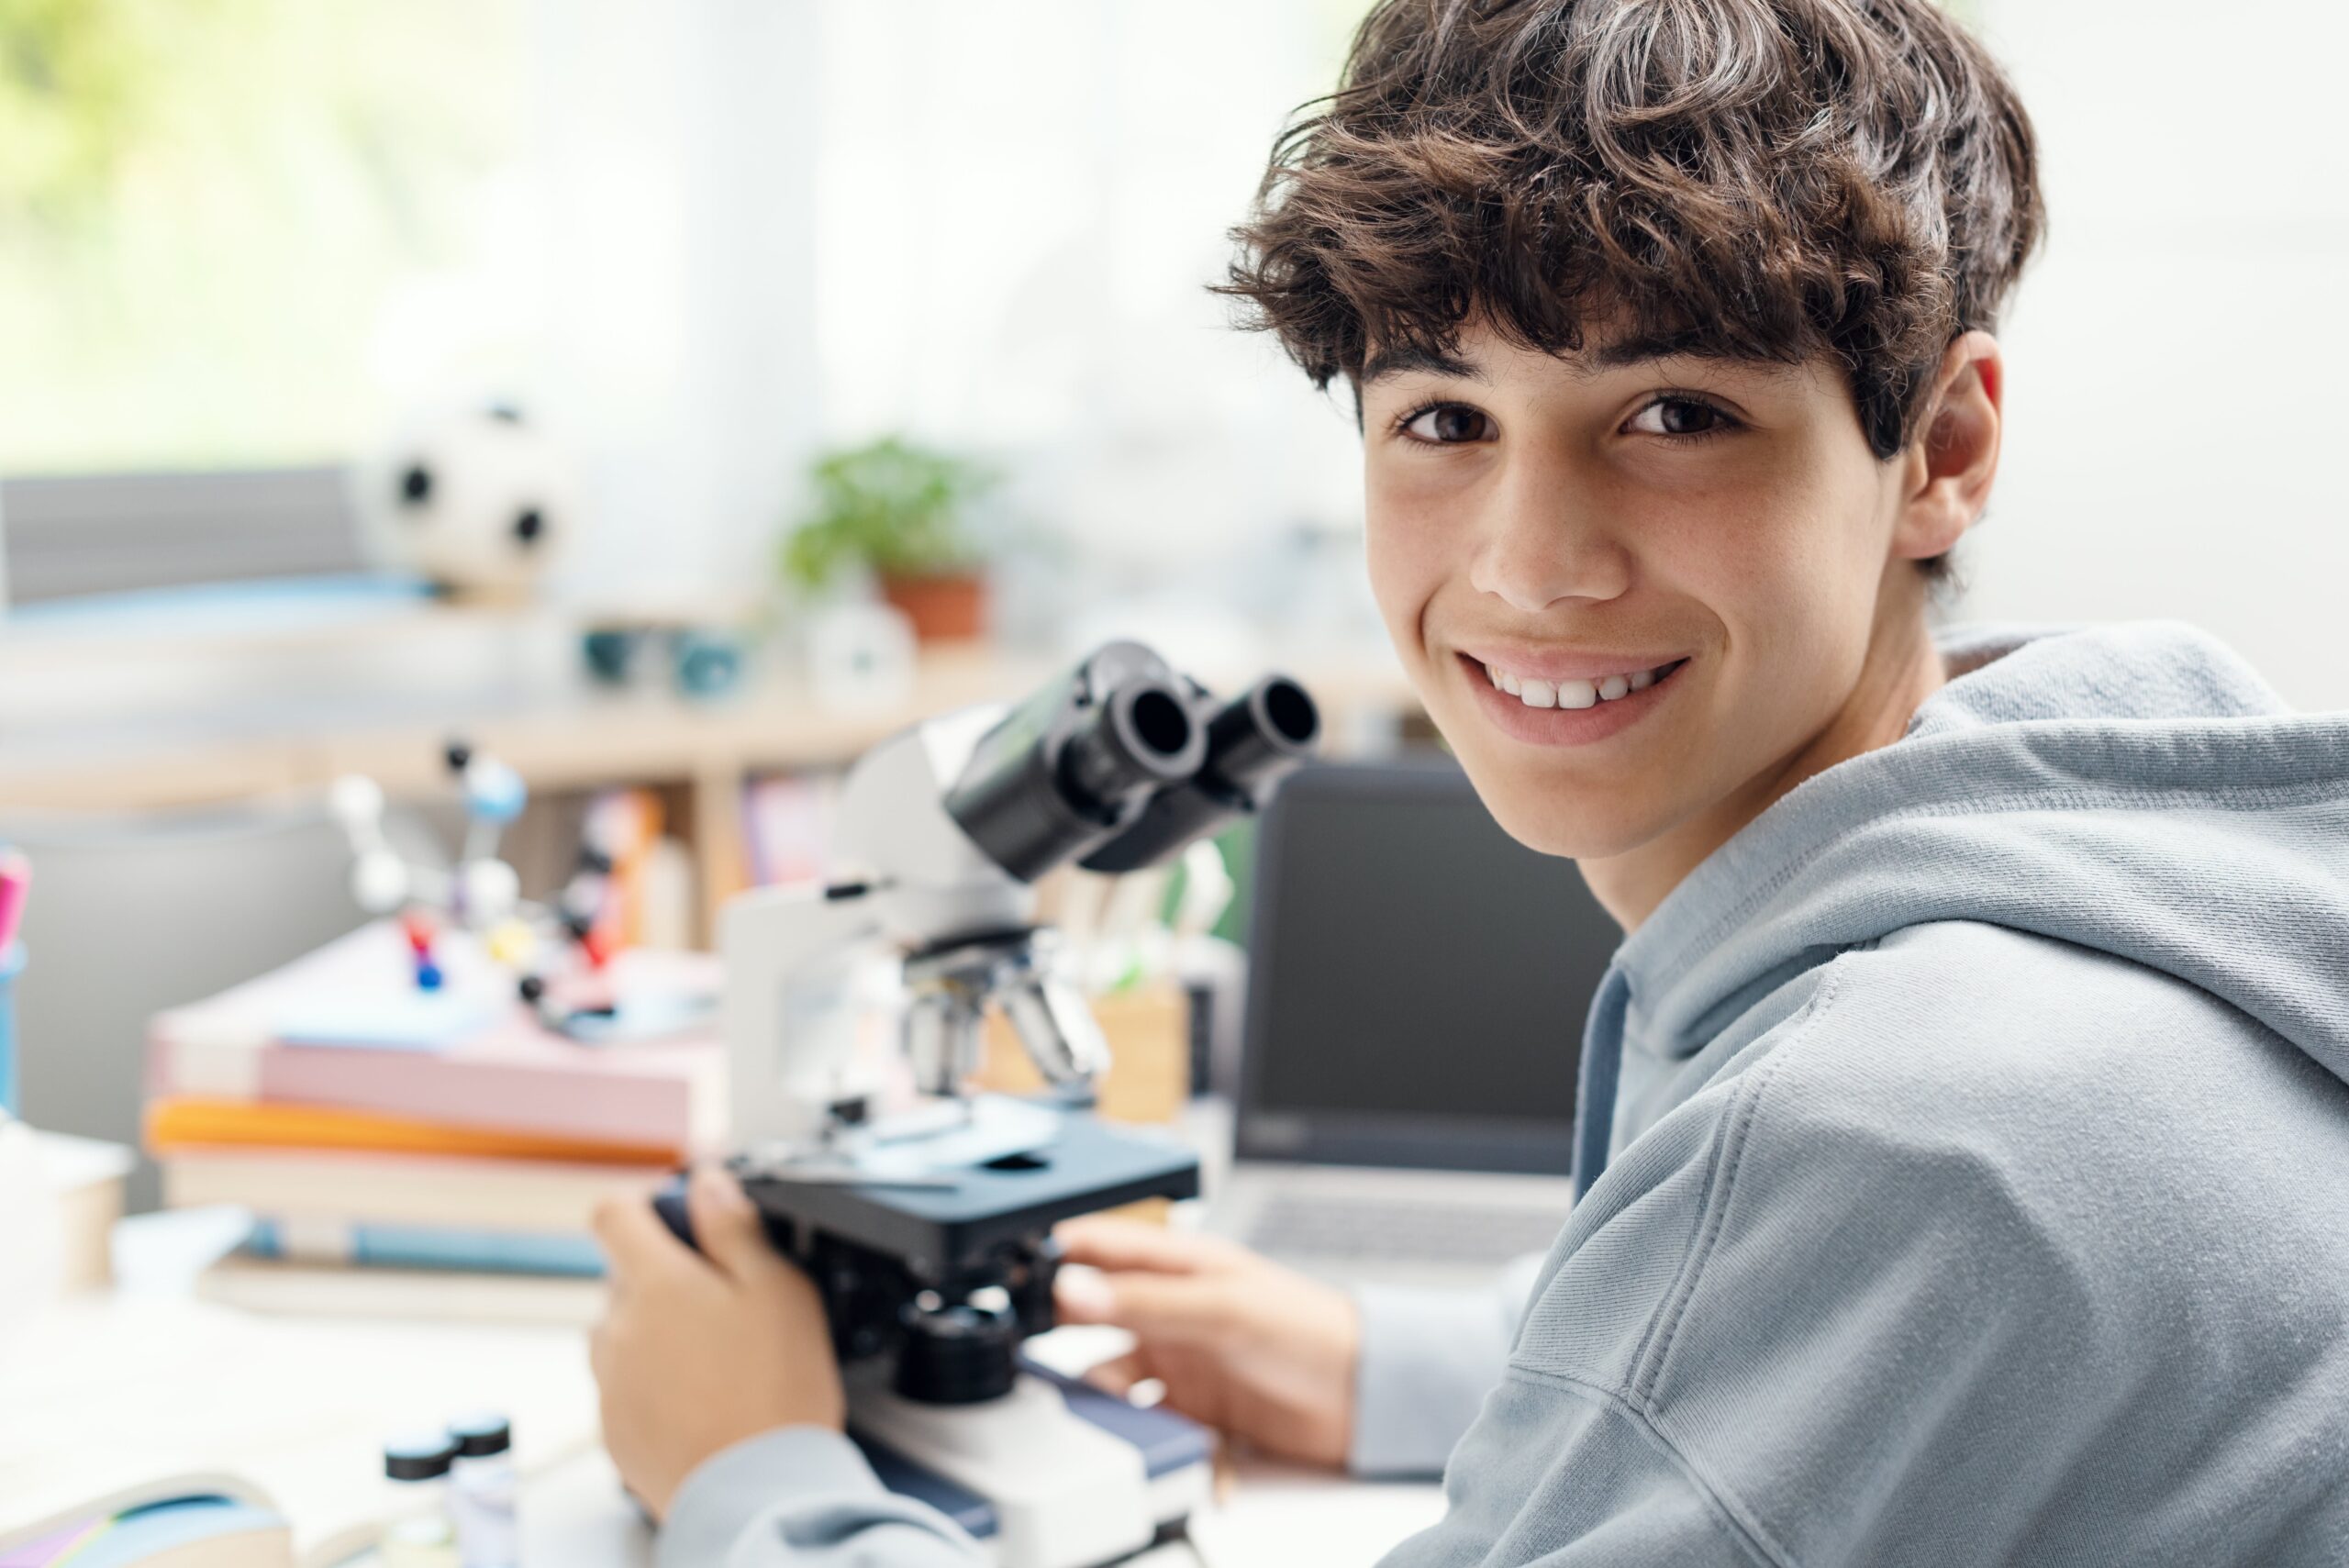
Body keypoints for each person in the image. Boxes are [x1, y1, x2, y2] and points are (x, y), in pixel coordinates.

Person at [589, 0, 2349, 1561]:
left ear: (1941, 449)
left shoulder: (1892, 1122)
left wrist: (756, 1476)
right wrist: (1395, 1361)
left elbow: (1846, 1232)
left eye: (1675, 414)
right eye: (1444, 420)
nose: (1531, 566)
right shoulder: (2127, 865)